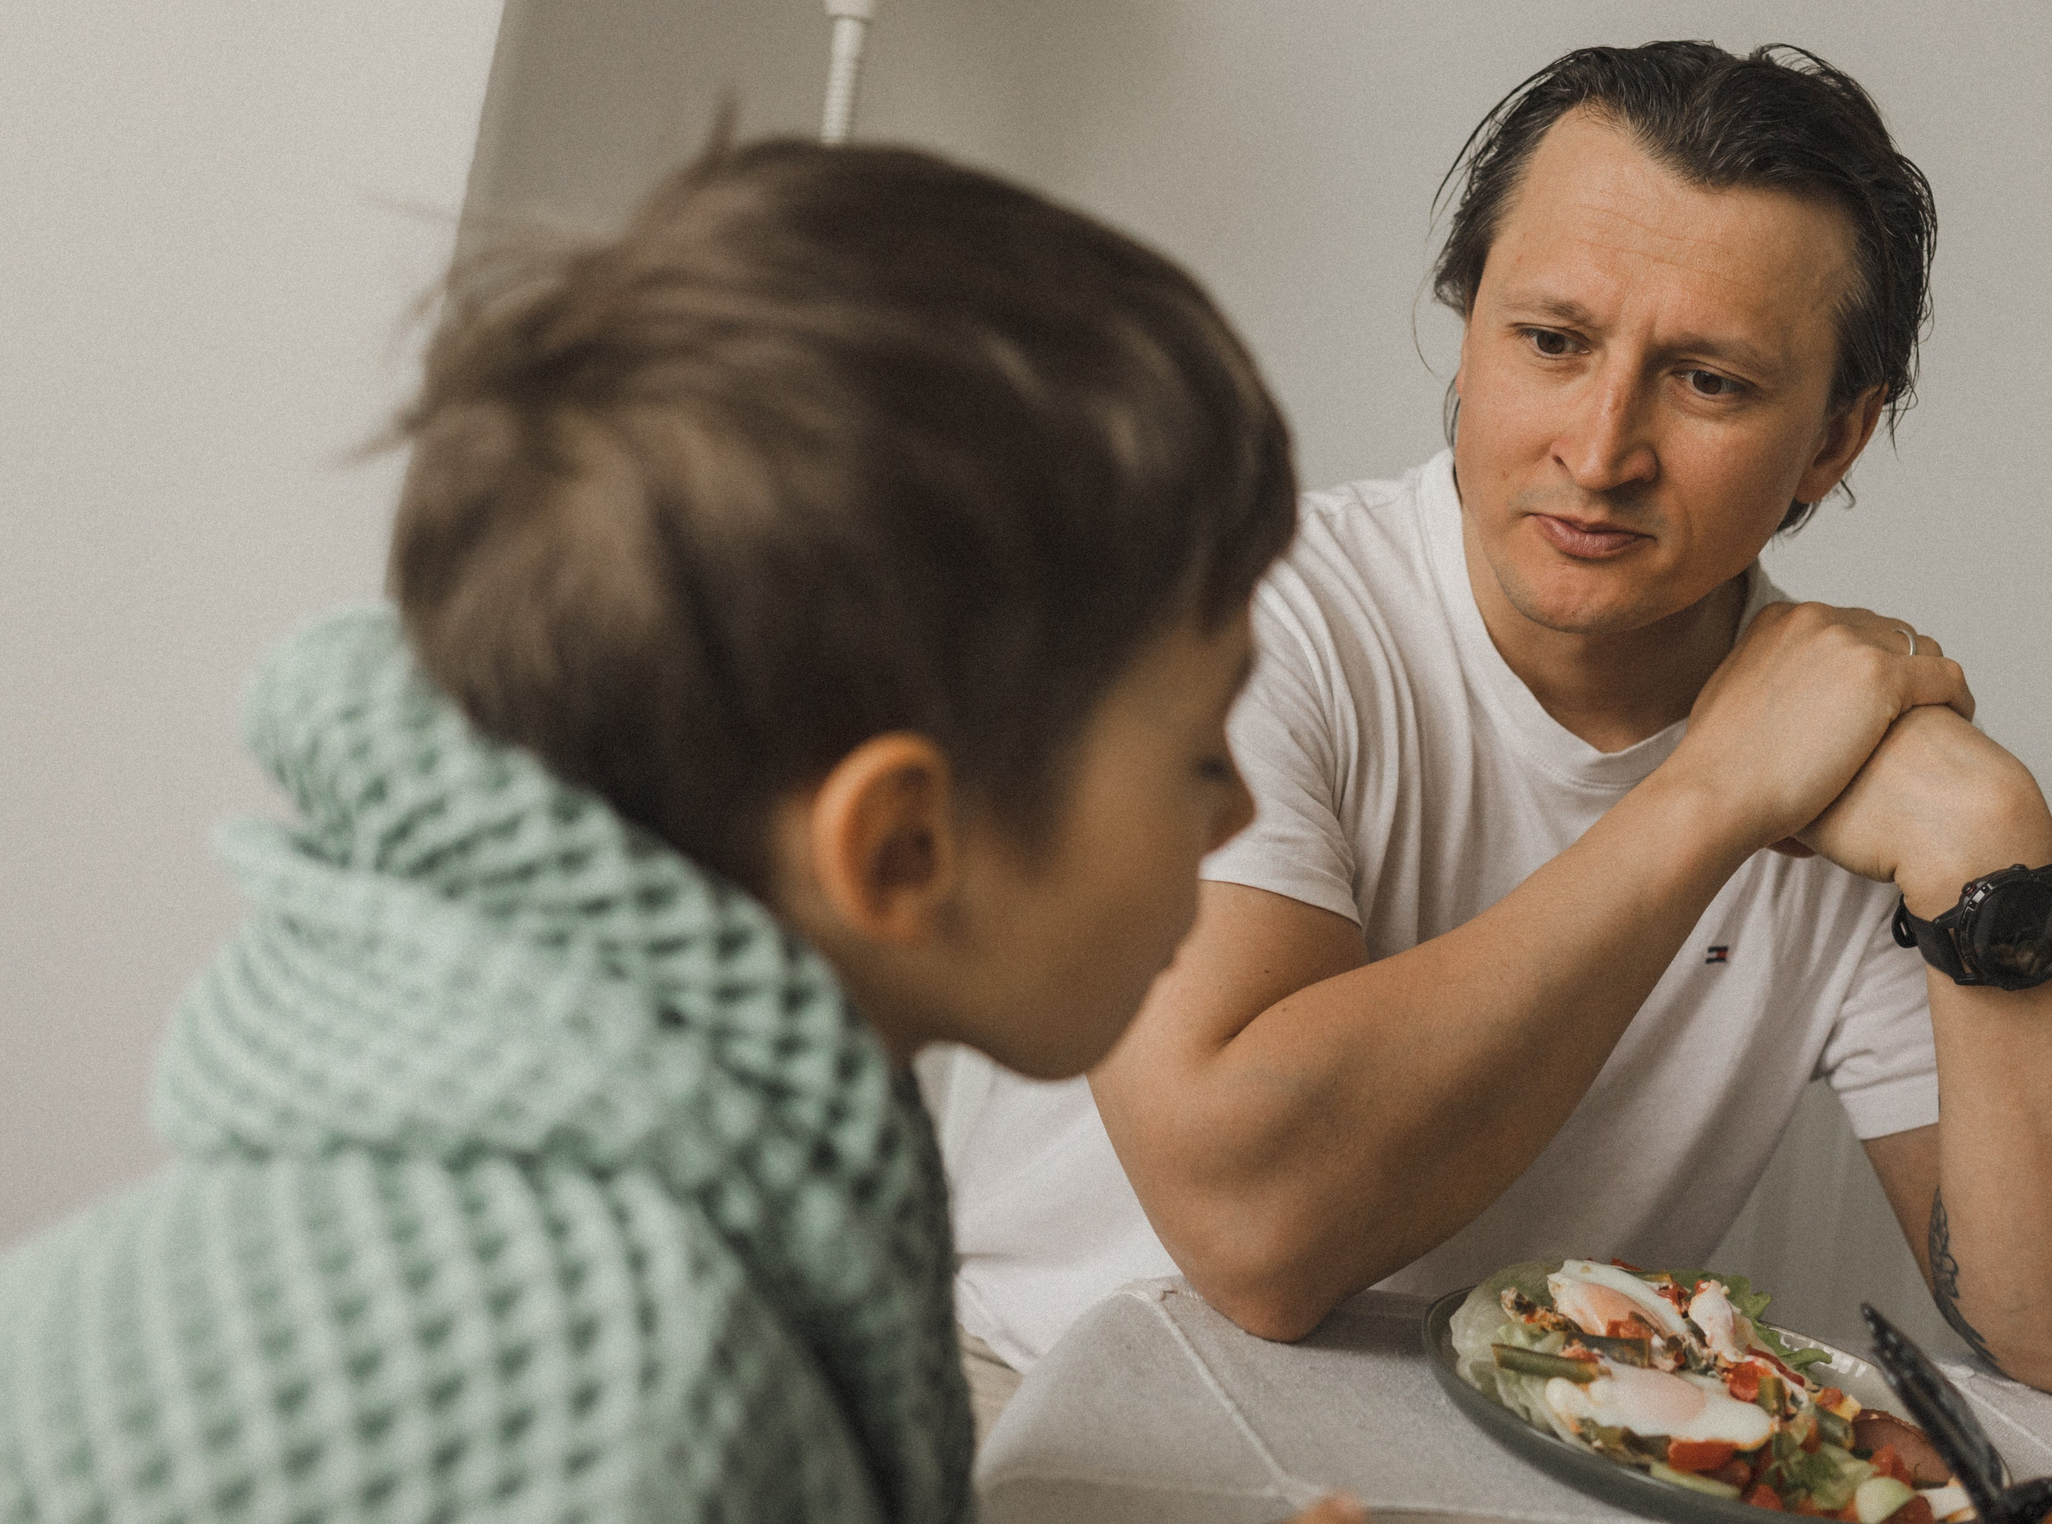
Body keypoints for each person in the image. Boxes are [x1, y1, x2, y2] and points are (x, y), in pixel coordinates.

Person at [0, 141, 1359, 1522]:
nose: (1237, 809)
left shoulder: (651, 1114)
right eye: (1203, 746)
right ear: (901, 850)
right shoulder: (636, 1381)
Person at [949, 42, 2052, 1421]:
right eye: (1552, 343)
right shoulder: (1226, 613)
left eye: (1710, 383)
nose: (1602, 447)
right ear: (1470, 327)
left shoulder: (1857, 757)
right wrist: (1712, 796)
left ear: (1835, 443)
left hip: (1482, 1480)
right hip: (1033, 1412)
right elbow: (1256, 1232)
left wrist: (1993, 845)